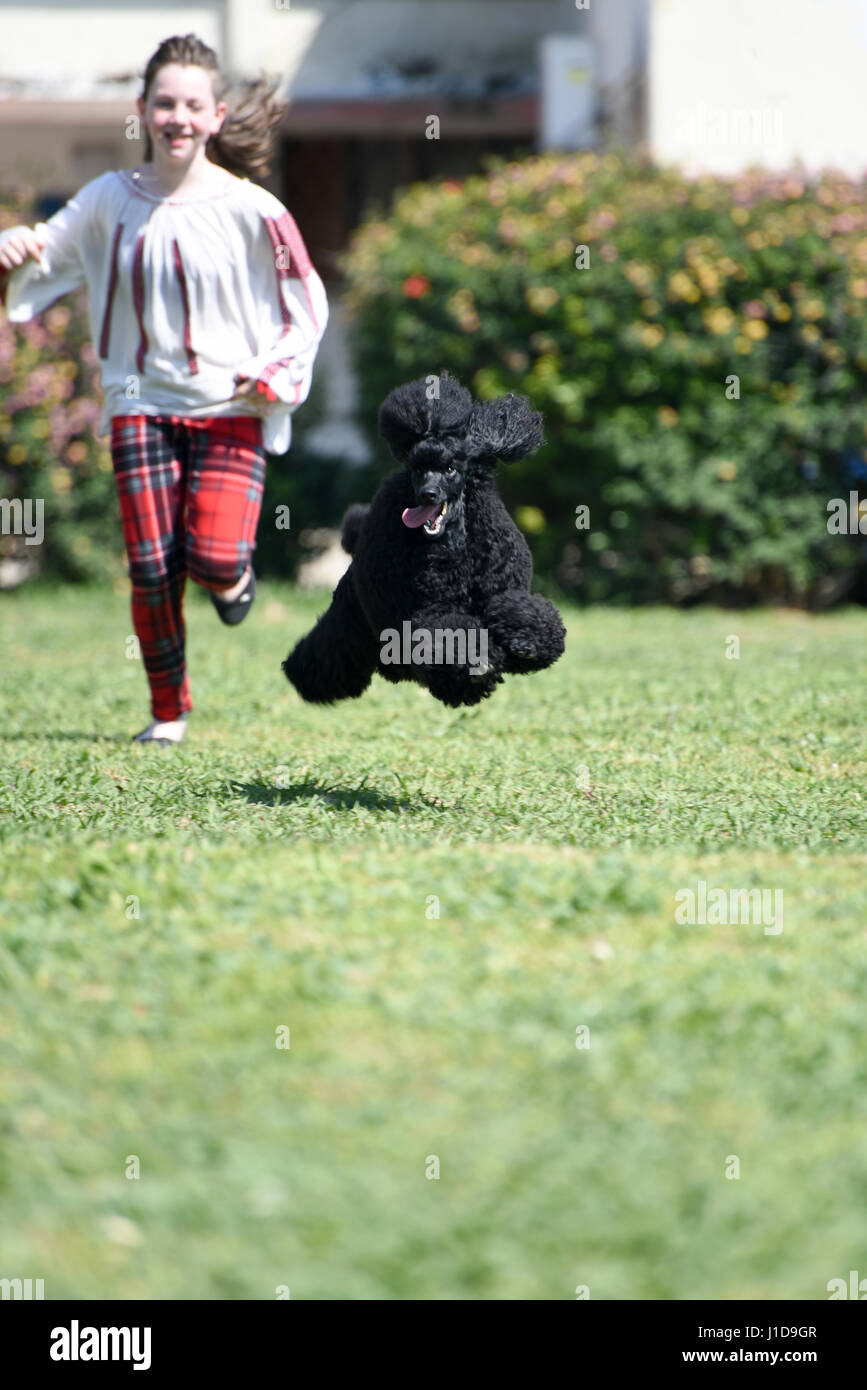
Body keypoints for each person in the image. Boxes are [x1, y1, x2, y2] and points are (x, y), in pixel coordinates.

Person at [0, 33, 329, 745]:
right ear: (143, 110)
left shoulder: (255, 211)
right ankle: (168, 711)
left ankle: (231, 578)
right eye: (164, 104)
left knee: (210, 559)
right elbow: (44, 258)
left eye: (192, 105)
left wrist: (276, 372)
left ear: (214, 117)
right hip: (138, 406)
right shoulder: (106, 199)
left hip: (232, 407)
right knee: (151, 568)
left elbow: (306, 302)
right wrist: (16, 247)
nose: (177, 117)